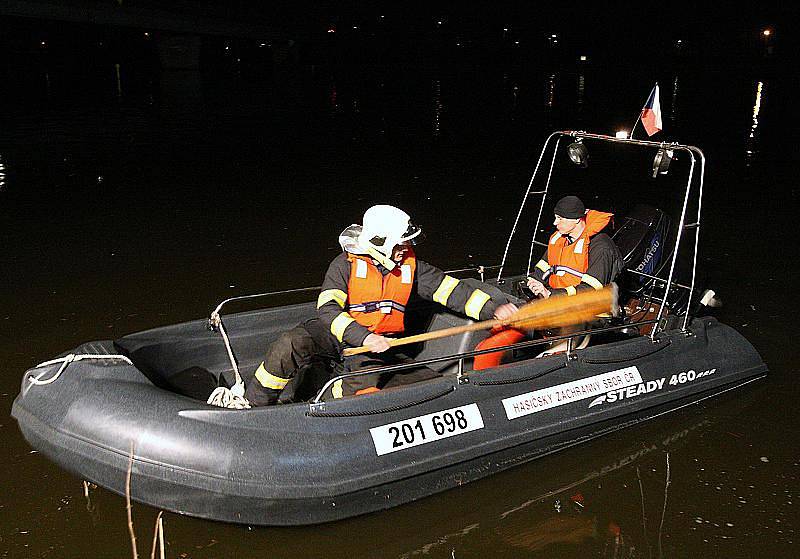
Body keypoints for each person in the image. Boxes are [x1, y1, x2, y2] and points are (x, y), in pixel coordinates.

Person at [245, 204, 518, 406]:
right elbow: (328, 310)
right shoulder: (344, 265)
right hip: (342, 333)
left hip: (377, 345)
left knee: (355, 388)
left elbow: (453, 291)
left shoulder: (412, 268)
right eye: (401, 243)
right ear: (380, 243)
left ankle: (311, 403)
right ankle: (254, 405)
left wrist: (493, 308)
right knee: (291, 342)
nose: (406, 247)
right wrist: (364, 336)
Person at [473, 195, 623, 369]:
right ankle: (486, 359)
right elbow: (543, 267)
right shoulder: (560, 239)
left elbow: (590, 291)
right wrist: (535, 282)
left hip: (588, 313)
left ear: (576, 220)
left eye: (559, 218)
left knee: (556, 352)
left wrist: (550, 294)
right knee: (509, 322)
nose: (554, 223)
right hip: (558, 304)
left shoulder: (601, 248)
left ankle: (547, 364)